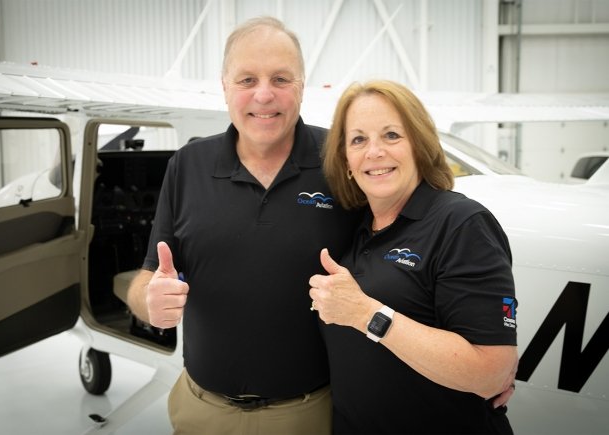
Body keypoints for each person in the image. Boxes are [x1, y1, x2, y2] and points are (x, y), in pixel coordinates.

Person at [125, 16, 360, 435]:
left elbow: (404, 246)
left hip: (309, 412)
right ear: (225, 87)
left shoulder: (340, 160)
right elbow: (145, 279)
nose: (264, 94)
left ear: (302, 86)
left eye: (281, 79)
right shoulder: (187, 165)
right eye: (247, 79)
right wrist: (150, 302)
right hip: (201, 410)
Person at [308, 80, 518, 434]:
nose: (374, 152)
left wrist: (366, 314)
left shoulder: (461, 224)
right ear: (346, 160)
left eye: (391, 135)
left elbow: (491, 373)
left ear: (419, 145)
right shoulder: (351, 228)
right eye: (358, 139)